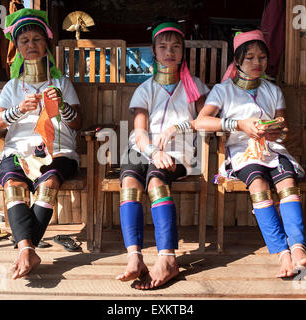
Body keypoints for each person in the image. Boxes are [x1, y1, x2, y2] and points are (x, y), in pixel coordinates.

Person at [194, 29, 306, 278]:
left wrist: (276, 132)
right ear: (237, 61)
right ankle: (282, 253)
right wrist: (238, 125)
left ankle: (298, 250)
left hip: (273, 151)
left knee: (288, 183)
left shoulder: (274, 91)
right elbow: (200, 121)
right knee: (258, 184)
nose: (257, 63)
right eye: (249, 57)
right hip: (243, 154)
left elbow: (284, 127)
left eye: (262, 57)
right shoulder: (223, 90)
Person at [116, 18, 209, 289]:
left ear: (183, 52)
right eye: (163, 46)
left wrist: (180, 126)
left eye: (176, 46)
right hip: (143, 148)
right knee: (130, 183)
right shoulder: (145, 89)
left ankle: (168, 258)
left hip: (179, 153)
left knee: (156, 182)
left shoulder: (195, 87)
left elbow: (207, 119)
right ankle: (135, 258)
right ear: (153, 51)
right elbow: (140, 130)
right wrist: (153, 150)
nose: (169, 52)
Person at [0, 8, 81, 279]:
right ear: (17, 48)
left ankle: (24, 249)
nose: (31, 44)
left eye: (37, 39)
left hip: (57, 150)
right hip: (18, 150)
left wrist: (62, 105)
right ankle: (28, 248)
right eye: (24, 40)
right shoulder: (13, 86)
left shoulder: (61, 83)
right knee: (13, 185)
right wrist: (16, 110)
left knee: (49, 184)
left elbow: (76, 123)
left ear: (46, 45)